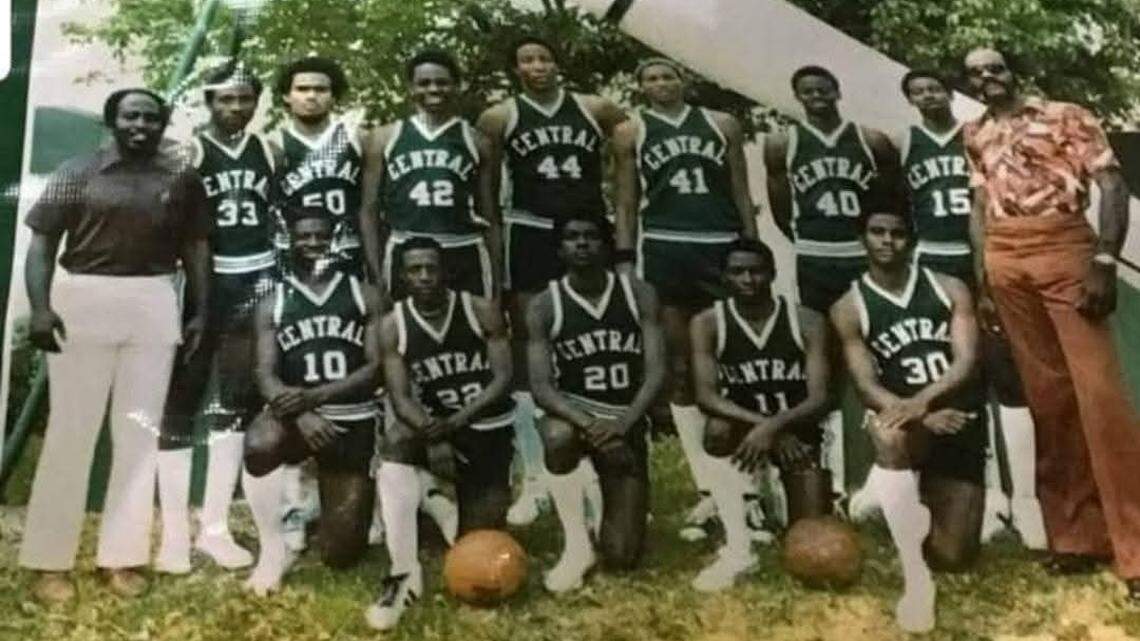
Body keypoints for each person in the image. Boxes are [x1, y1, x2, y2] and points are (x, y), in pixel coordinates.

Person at [19, 88, 210, 602]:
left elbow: (196, 248)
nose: (141, 125)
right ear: (113, 121)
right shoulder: (77, 171)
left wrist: (199, 311)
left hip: (153, 299)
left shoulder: (181, 178)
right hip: (85, 296)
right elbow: (42, 243)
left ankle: (121, 558)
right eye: (131, 116)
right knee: (71, 433)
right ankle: (49, 562)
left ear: (162, 125)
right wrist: (40, 308)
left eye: (151, 117)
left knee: (137, 437)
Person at [962, 47, 1140, 599]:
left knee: (1100, 401)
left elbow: (1112, 186)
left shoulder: (1066, 115)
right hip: (1004, 259)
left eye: (994, 67)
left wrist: (1104, 258)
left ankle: (1135, 550)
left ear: (1014, 70)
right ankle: (1077, 538)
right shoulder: (974, 132)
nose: (986, 78)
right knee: (1049, 401)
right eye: (974, 73)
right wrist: (983, 282)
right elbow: (978, 208)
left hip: (1064, 246)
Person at [478, 36, 627, 526]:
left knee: (594, 335)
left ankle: (601, 458)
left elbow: (630, 151)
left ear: (558, 63)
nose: (538, 66)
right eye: (527, 59)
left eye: (545, 57)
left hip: (584, 231)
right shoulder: (500, 117)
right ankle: (537, 472)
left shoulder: (595, 108)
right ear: (516, 69)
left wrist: (616, 203)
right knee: (528, 348)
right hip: (531, 230)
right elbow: (487, 197)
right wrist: (497, 256)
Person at [612, 57, 759, 541]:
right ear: (641, 87)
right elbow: (626, 202)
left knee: (733, 359)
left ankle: (749, 483)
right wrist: (625, 259)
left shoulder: (721, 124)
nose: (661, 84)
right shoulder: (631, 132)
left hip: (720, 244)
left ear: (684, 79)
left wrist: (752, 246)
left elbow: (740, 189)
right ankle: (707, 486)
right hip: (666, 248)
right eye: (651, 78)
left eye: (668, 76)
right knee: (679, 369)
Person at [897, 68, 1043, 548]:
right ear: (910, 99)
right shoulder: (903, 142)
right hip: (933, 261)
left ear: (949, 93)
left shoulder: (976, 135)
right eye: (917, 91)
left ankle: (1023, 496)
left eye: (934, 88)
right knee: (955, 375)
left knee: (1004, 371)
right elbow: (897, 208)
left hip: (987, 257)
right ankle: (979, 489)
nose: (927, 96)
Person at [831, 205, 986, 632]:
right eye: (877, 231)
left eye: (897, 233)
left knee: (954, 556)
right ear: (863, 238)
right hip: (904, 420)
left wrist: (924, 403)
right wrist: (917, 415)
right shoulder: (849, 307)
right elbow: (866, 386)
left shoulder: (949, 288)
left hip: (954, 416)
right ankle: (916, 579)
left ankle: (886, 496)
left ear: (912, 240)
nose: (887, 241)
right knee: (888, 434)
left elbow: (966, 361)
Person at [155, 62, 278, 574]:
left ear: (256, 102)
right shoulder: (190, 150)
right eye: (225, 99)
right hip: (203, 283)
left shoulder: (268, 149)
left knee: (234, 403)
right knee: (181, 403)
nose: (235, 107)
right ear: (209, 102)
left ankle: (214, 528)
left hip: (254, 281)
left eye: (244, 98)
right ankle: (172, 535)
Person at [764, 64, 900, 501]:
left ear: (838, 91)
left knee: (874, 352)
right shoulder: (782, 143)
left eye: (823, 89)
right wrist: (806, 239)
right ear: (797, 97)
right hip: (816, 259)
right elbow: (781, 207)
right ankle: (829, 470)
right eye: (807, 91)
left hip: (860, 257)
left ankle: (880, 463)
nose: (816, 97)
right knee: (823, 358)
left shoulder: (870, 140)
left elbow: (890, 200)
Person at [365, 237, 515, 630]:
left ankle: (434, 498)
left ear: (445, 271)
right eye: (415, 270)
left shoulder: (480, 310)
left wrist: (454, 423)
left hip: (484, 427)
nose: (424, 277)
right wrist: (436, 436)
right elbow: (400, 398)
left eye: (431, 268)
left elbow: (503, 379)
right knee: (396, 444)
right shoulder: (392, 324)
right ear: (402, 277)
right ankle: (403, 572)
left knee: (475, 546)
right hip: (431, 427)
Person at [241, 204, 383, 595]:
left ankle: (319, 501)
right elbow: (264, 374)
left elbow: (375, 368)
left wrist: (313, 398)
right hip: (295, 418)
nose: (313, 243)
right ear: (289, 241)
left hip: (351, 420)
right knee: (259, 445)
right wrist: (301, 413)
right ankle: (274, 548)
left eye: (321, 235)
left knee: (341, 554)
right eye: (304, 236)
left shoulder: (364, 294)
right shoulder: (274, 301)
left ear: (335, 241)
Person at [526, 212, 666, 592]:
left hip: (624, 418)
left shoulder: (639, 294)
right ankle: (576, 545)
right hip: (576, 416)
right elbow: (542, 387)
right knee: (557, 438)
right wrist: (589, 424)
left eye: (591, 236)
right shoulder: (544, 304)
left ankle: (598, 492)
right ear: (559, 249)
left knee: (622, 556)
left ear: (606, 246)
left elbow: (656, 373)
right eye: (572, 236)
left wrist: (623, 425)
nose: (582, 243)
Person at [689, 239, 831, 591]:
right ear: (724, 277)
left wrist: (777, 427)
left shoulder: (806, 320)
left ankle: (768, 499)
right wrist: (764, 427)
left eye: (756, 271)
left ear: (772, 273)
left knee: (808, 541)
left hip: (796, 429)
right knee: (716, 431)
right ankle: (739, 547)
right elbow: (706, 396)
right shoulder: (708, 323)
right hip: (742, 430)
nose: (748, 279)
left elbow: (819, 397)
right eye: (737, 272)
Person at [358, 49, 501, 301]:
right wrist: (375, 271)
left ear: (456, 86)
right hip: (407, 249)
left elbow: (490, 215)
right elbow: (369, 210)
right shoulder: (384, 137)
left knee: (472, 322)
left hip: (462, 247)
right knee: (405, 323)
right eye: (424, 83)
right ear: (410, 88)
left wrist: (497, 275)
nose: (433, 89)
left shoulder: (477, 141)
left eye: (442, 82)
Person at [272, 56, 365, 274]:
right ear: (287, 96)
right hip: (298, 253)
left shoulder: (357, 139)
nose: (311, 96)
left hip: (348, 247)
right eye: (302, 89)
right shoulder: (275, 145)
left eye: (321, 89)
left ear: (334, 97)